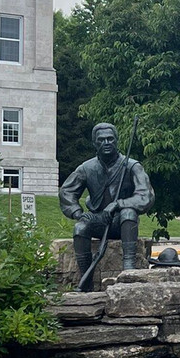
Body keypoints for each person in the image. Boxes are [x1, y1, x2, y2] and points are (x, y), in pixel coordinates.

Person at [59, 122, 155, 288]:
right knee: (80, 228)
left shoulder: (132, 166)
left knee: (128, 213)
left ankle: (128, 268)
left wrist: (119, 204)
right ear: (95, 143)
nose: (106, 143)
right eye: (101, 140)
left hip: (122, 224)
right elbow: (66, 192)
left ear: (117, 141)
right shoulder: (86, 168)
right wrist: (77, 213)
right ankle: (86, 281)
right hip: (99, 221)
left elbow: (146, 196)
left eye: (110, 139)